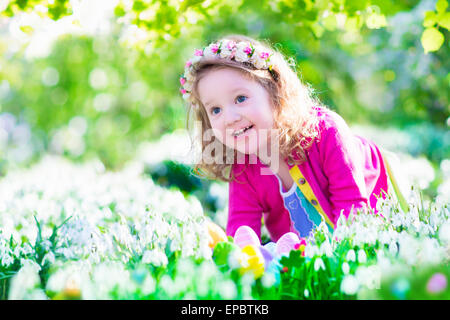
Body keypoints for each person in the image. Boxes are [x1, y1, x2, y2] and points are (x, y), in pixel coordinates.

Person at [179, 34, 408, 243]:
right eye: (216, 110)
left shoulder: (326, 133)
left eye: (240, 98)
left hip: (373, 230)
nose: (229, 117)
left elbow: (353, 212)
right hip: (309, 257)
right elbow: (241, 232)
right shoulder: (243, 167)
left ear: (274, 90)